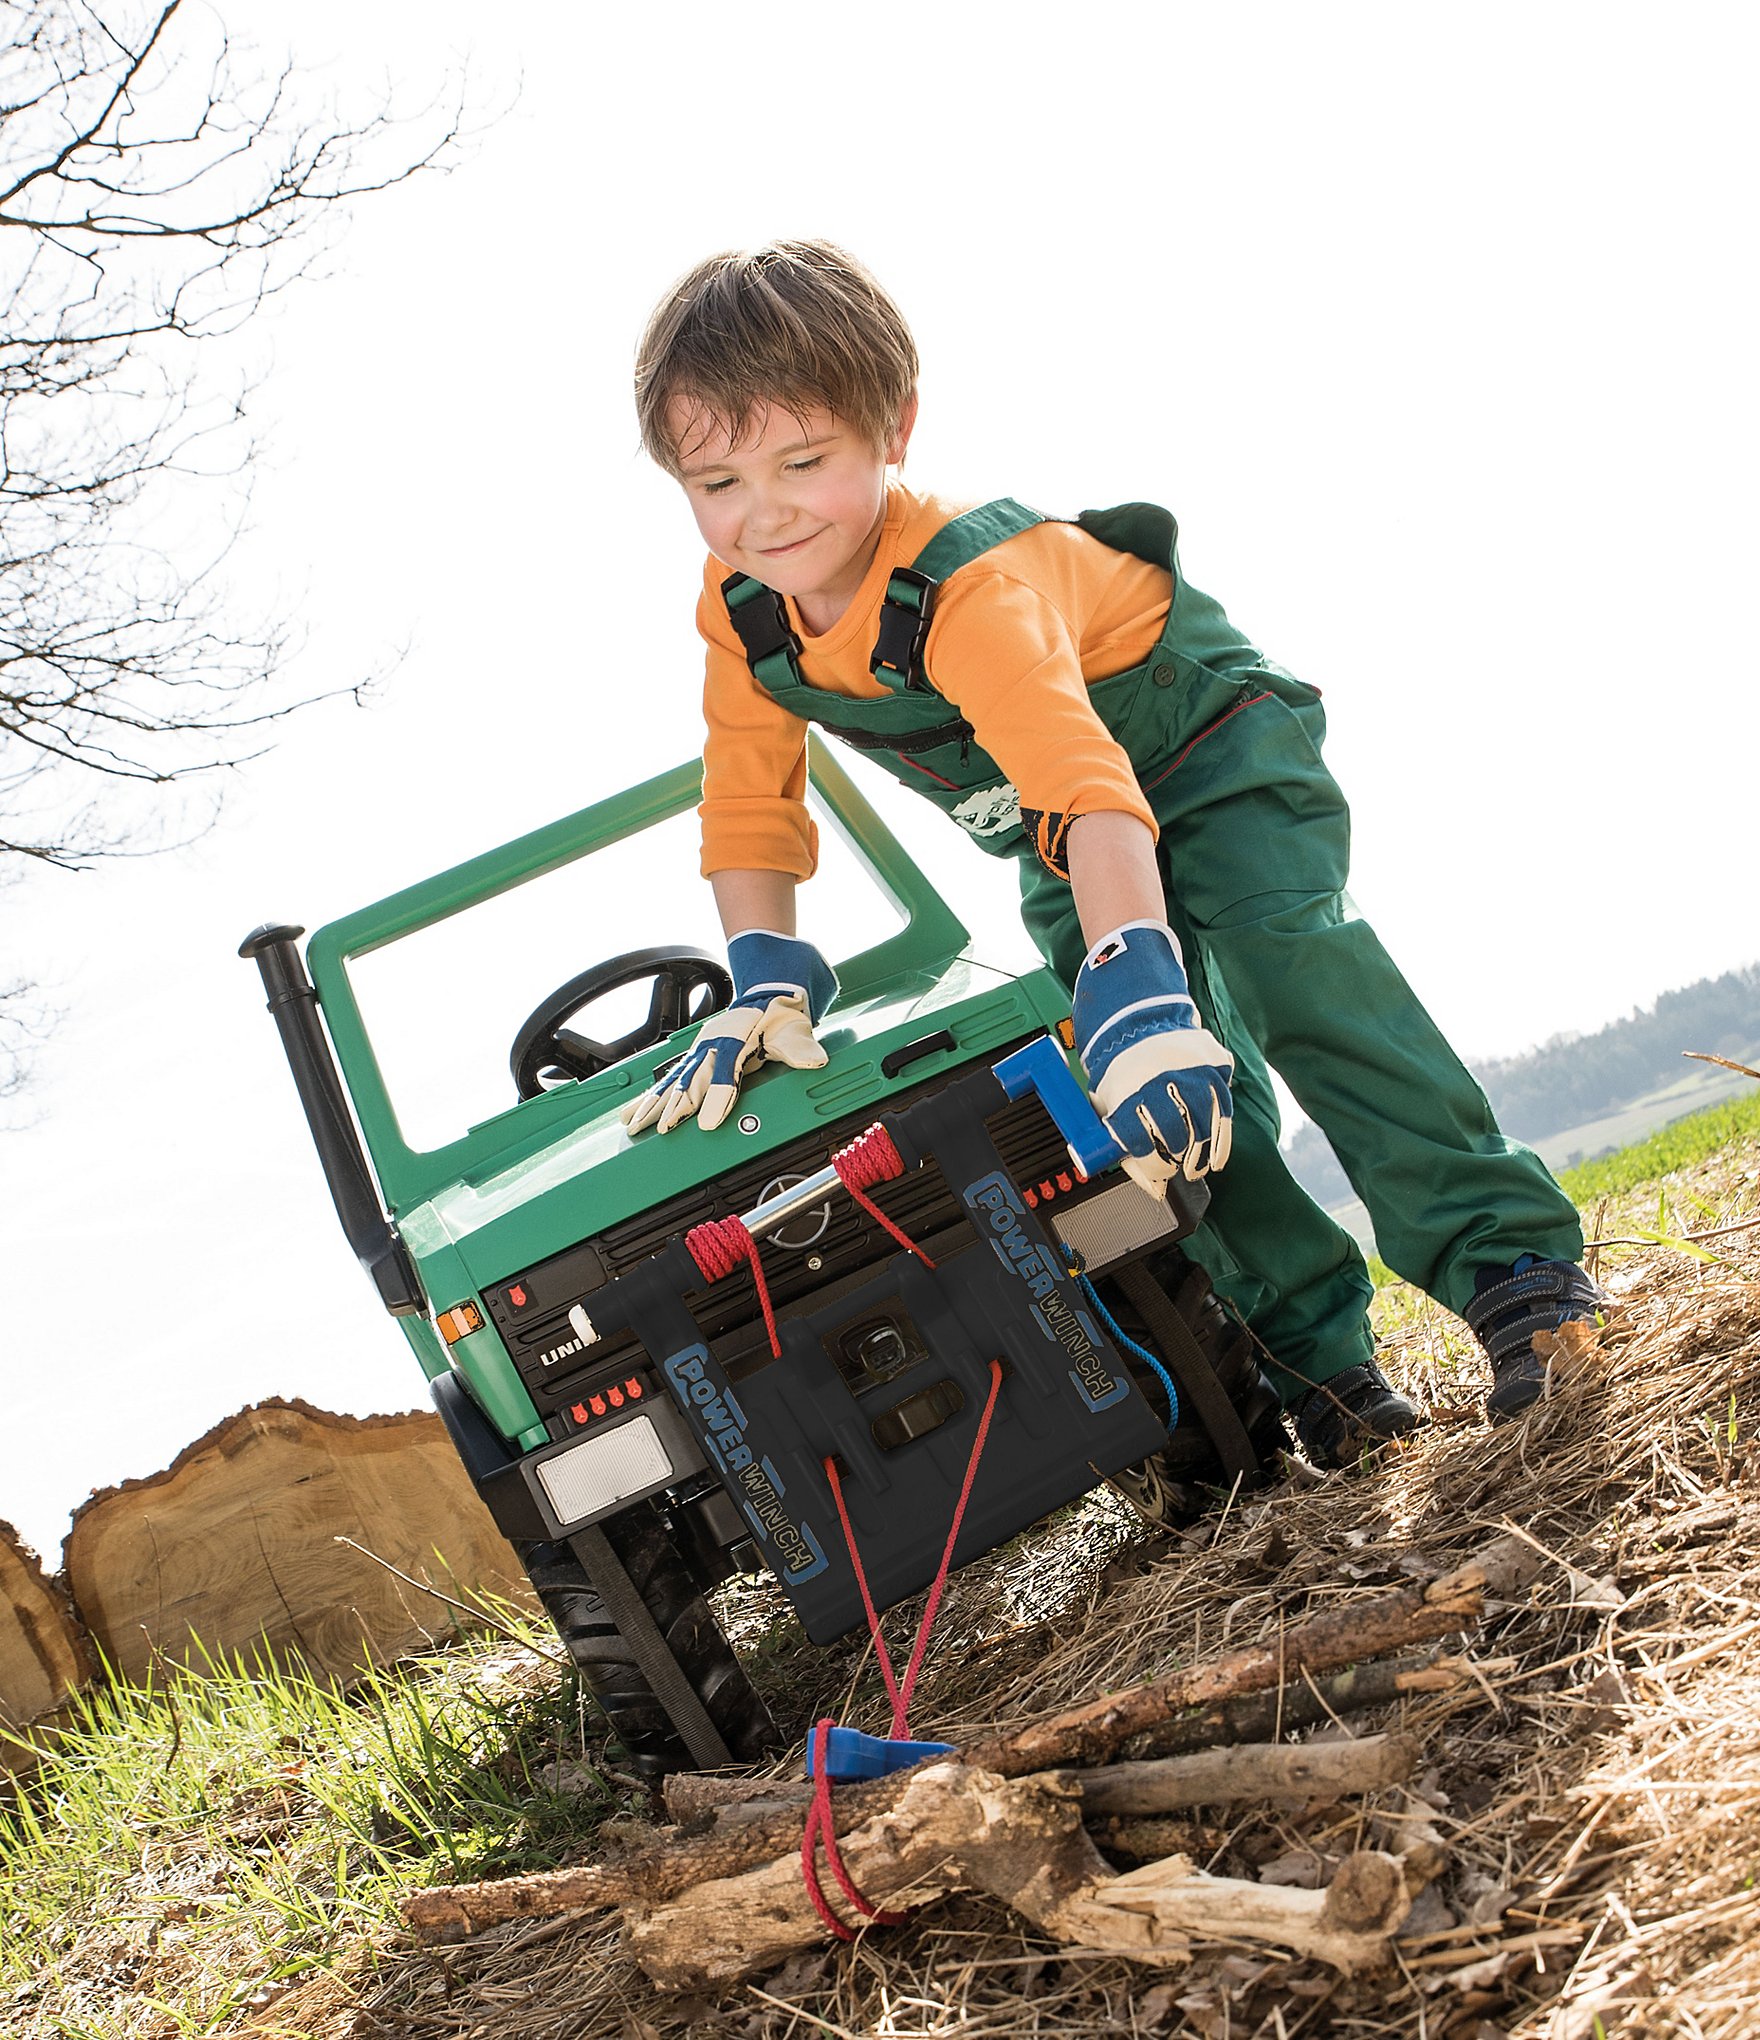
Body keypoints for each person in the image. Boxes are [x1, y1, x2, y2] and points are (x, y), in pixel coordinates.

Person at [620, 239, 1602, 1466]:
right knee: (1156, 1089)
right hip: (1060, 823)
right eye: (716, 482)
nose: (760, 514)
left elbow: (1095, 786)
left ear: (894, 430)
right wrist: (764, 968)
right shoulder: (744, 616)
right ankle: (1320, 1365)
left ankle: (1513, 1274)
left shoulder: (968, 585)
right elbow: (748, 800)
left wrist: (1135, 967)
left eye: (801, 464)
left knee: (1287, 972)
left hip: (1202, 746)